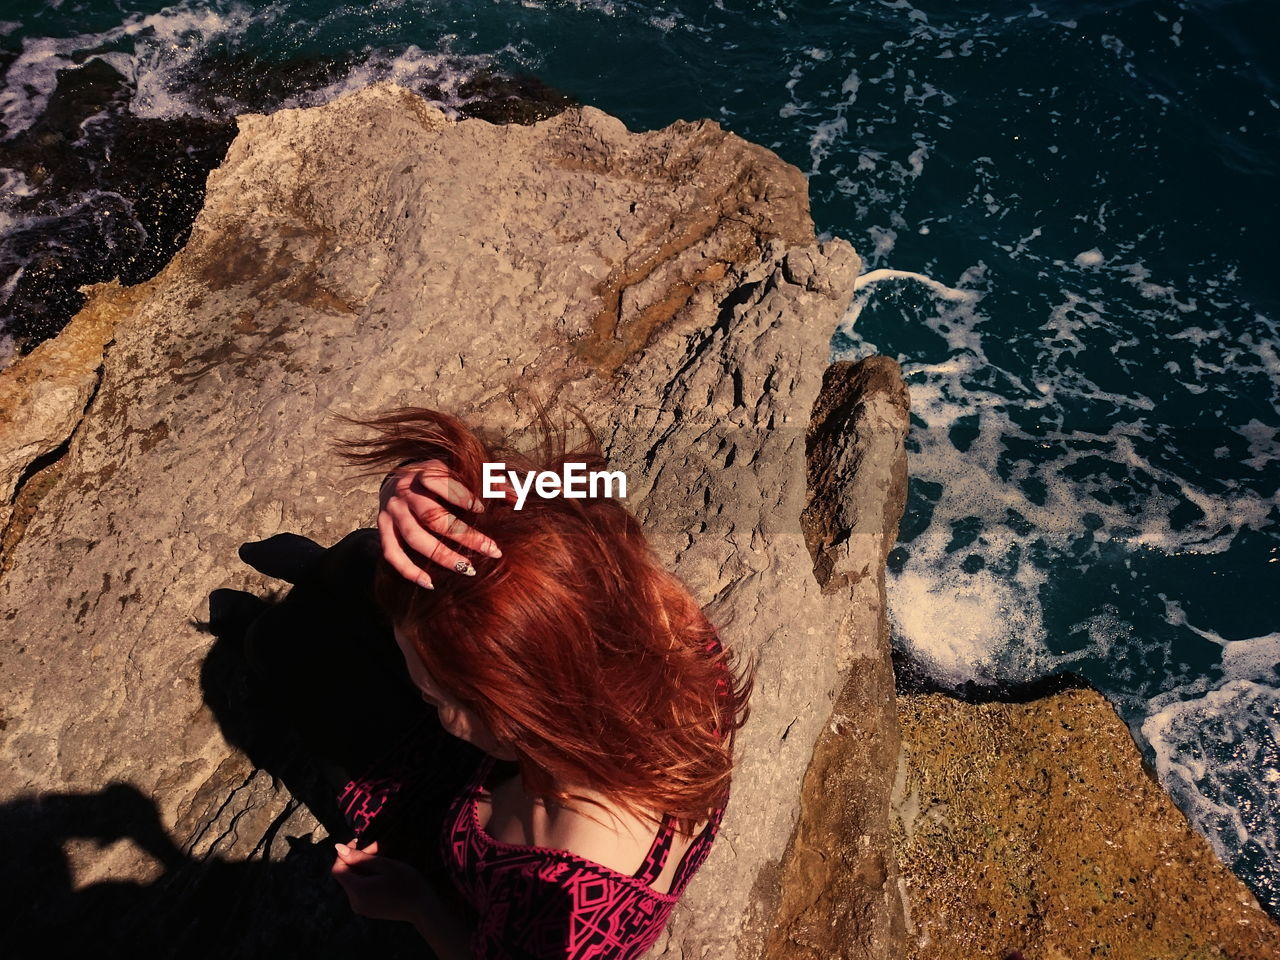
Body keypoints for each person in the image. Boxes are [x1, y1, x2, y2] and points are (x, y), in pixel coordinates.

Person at [323, 407, 753, 960]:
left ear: (521, 711)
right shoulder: (676, 639)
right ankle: (314, 585)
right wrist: (424, 483)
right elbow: (600, 486)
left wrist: (416, 904)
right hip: (503, 772)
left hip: (448, 844)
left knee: (294, 663)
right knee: (386, 557)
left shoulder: (566, 913)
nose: (425, 699)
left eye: (433, 697)